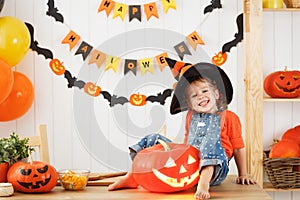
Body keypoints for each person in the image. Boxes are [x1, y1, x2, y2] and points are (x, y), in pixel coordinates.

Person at [108, 59, 256, 200]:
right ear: (189, 104)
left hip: (216, 168)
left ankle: (203, 184)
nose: (201, 97)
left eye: (205, 91)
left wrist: (243, 174)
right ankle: (133, 176)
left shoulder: (229, 117)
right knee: (154, 138)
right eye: (194, 95)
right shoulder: (191, 116)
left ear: (217, 94)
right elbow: (188, 143)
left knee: (209, 139)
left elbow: (238, 148)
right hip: (192, 164)